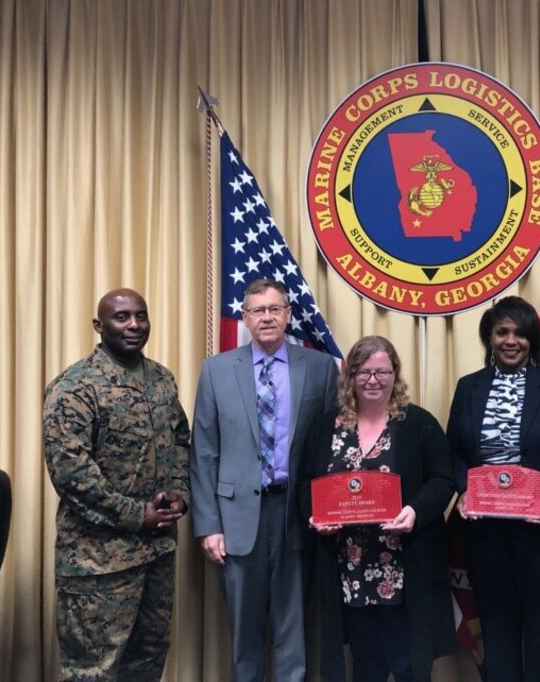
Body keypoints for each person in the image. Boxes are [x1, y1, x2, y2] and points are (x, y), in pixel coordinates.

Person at [190, 278, 339, 682]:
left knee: (294, 632)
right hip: (236, 519)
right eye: (258, 310)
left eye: (275, 309)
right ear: (245, 318)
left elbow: (331, 450)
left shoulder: (321, 368)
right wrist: (208, 526)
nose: (268, 317)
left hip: (297, 514)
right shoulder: (217, 370)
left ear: (289, 314)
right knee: (244, 634)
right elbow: (203, 452)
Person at [42, 288, 190, 682]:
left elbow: (179, 441)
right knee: (95, 671)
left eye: (141, 316)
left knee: (148, 660)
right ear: (99, 325)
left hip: (156, 551)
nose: (134, 325)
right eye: (122, 317)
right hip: (99, 561)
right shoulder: (75, 387)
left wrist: (178, 496)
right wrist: (135, 514)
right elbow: (70, 472)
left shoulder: (160, 379)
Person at [446, 295, 540, 682]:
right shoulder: (468, 388)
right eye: (502, 332)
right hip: (486, 534)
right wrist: (464, 490)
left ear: (532, 339)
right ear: (489, 338)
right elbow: (454, 454)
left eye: (520, 333)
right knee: (497, 634)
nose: (511, 341)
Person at [303, 335, 456, 682]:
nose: (373, 380)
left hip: (403, 565)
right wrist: (317, 518)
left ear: (395, 374)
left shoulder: (418, 423)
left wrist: (415, 511)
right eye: (363, 372)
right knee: (365, 662)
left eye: (382, 372)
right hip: (350, 568)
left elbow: (442, 479)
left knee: (407, 663)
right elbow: (306, 483)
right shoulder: (328, 426)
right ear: (351, 376)